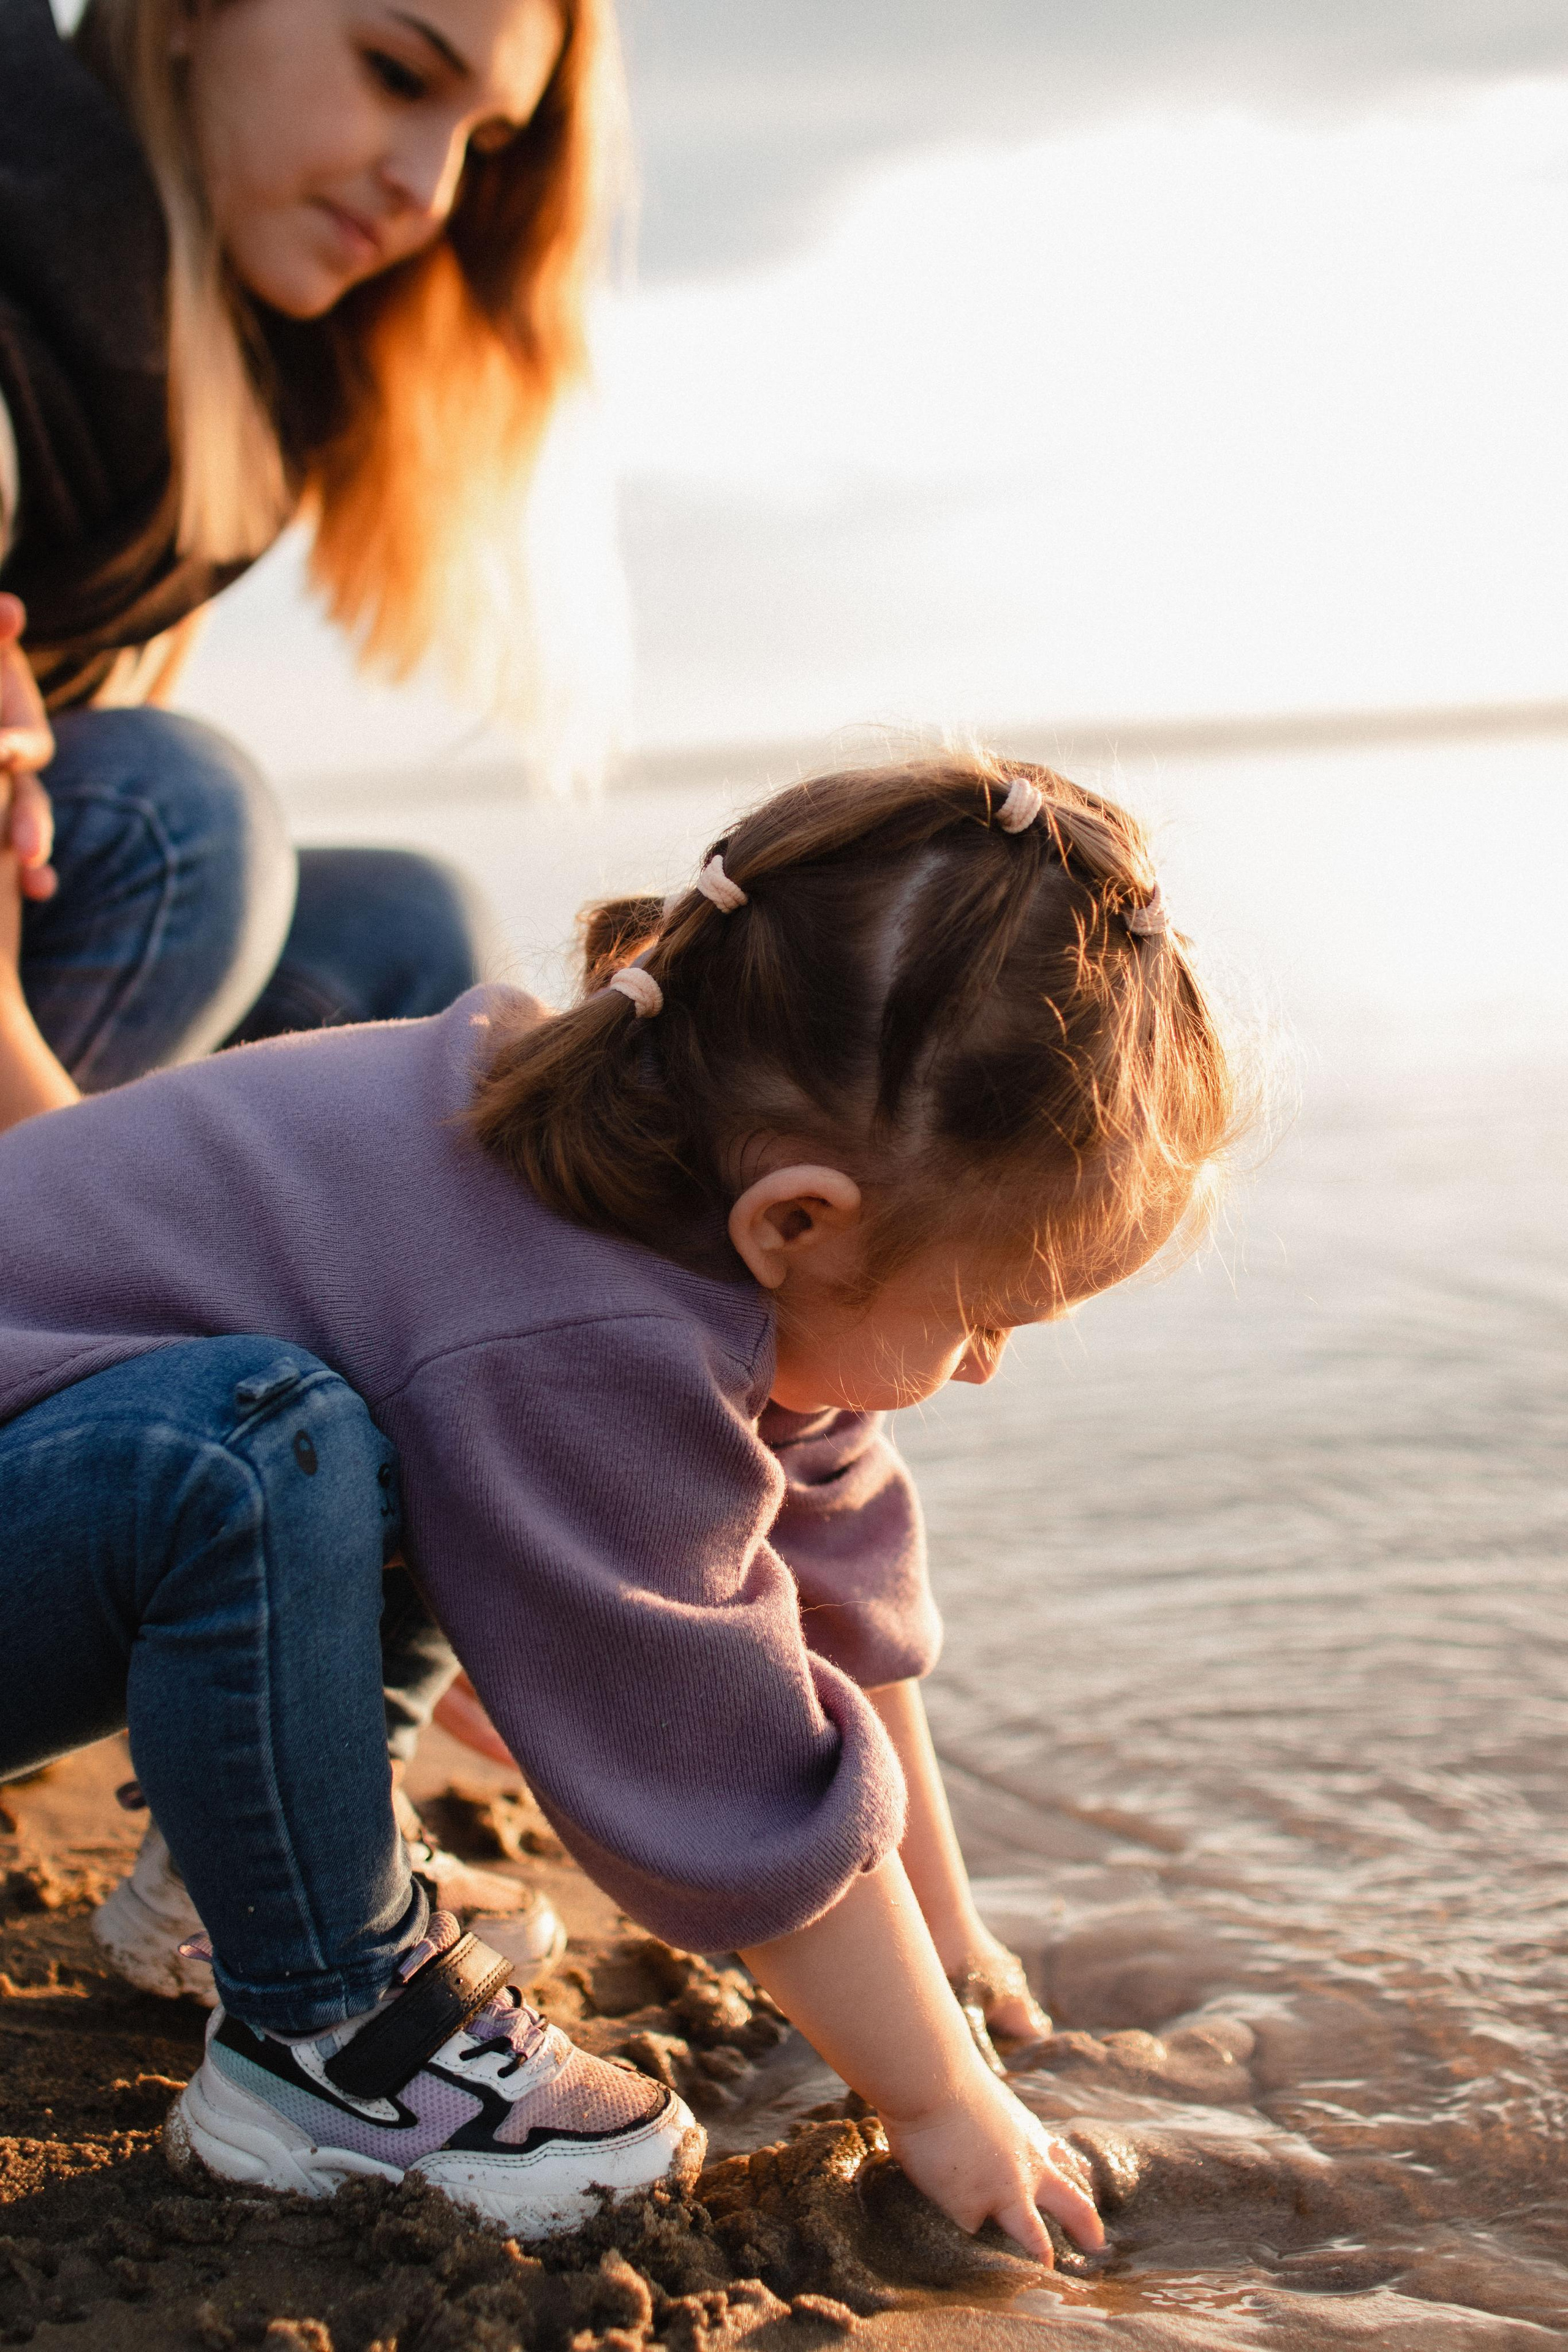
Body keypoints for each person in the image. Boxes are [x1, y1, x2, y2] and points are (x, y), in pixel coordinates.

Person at [0, 752, 1238, 2245]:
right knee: (260, 1445)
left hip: (57, 1497)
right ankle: (327, 2039)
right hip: (80, 1488)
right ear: (797, 1218)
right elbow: (724, 1763)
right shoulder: (576, 1327)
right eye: (986, 1318)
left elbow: (830, 1595)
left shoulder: (665, 1174)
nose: (980, 1370)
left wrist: (954, 1953)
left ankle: (231, 1883)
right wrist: (937, 2103)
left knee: (353, 1431)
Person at [0, 0, 620, 1969]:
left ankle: (268, 1818)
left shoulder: (231, 367)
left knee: (413, 971)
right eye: (393, 68)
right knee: (183, 819)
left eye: (484, 139)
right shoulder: (38, 232)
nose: (428, 188)